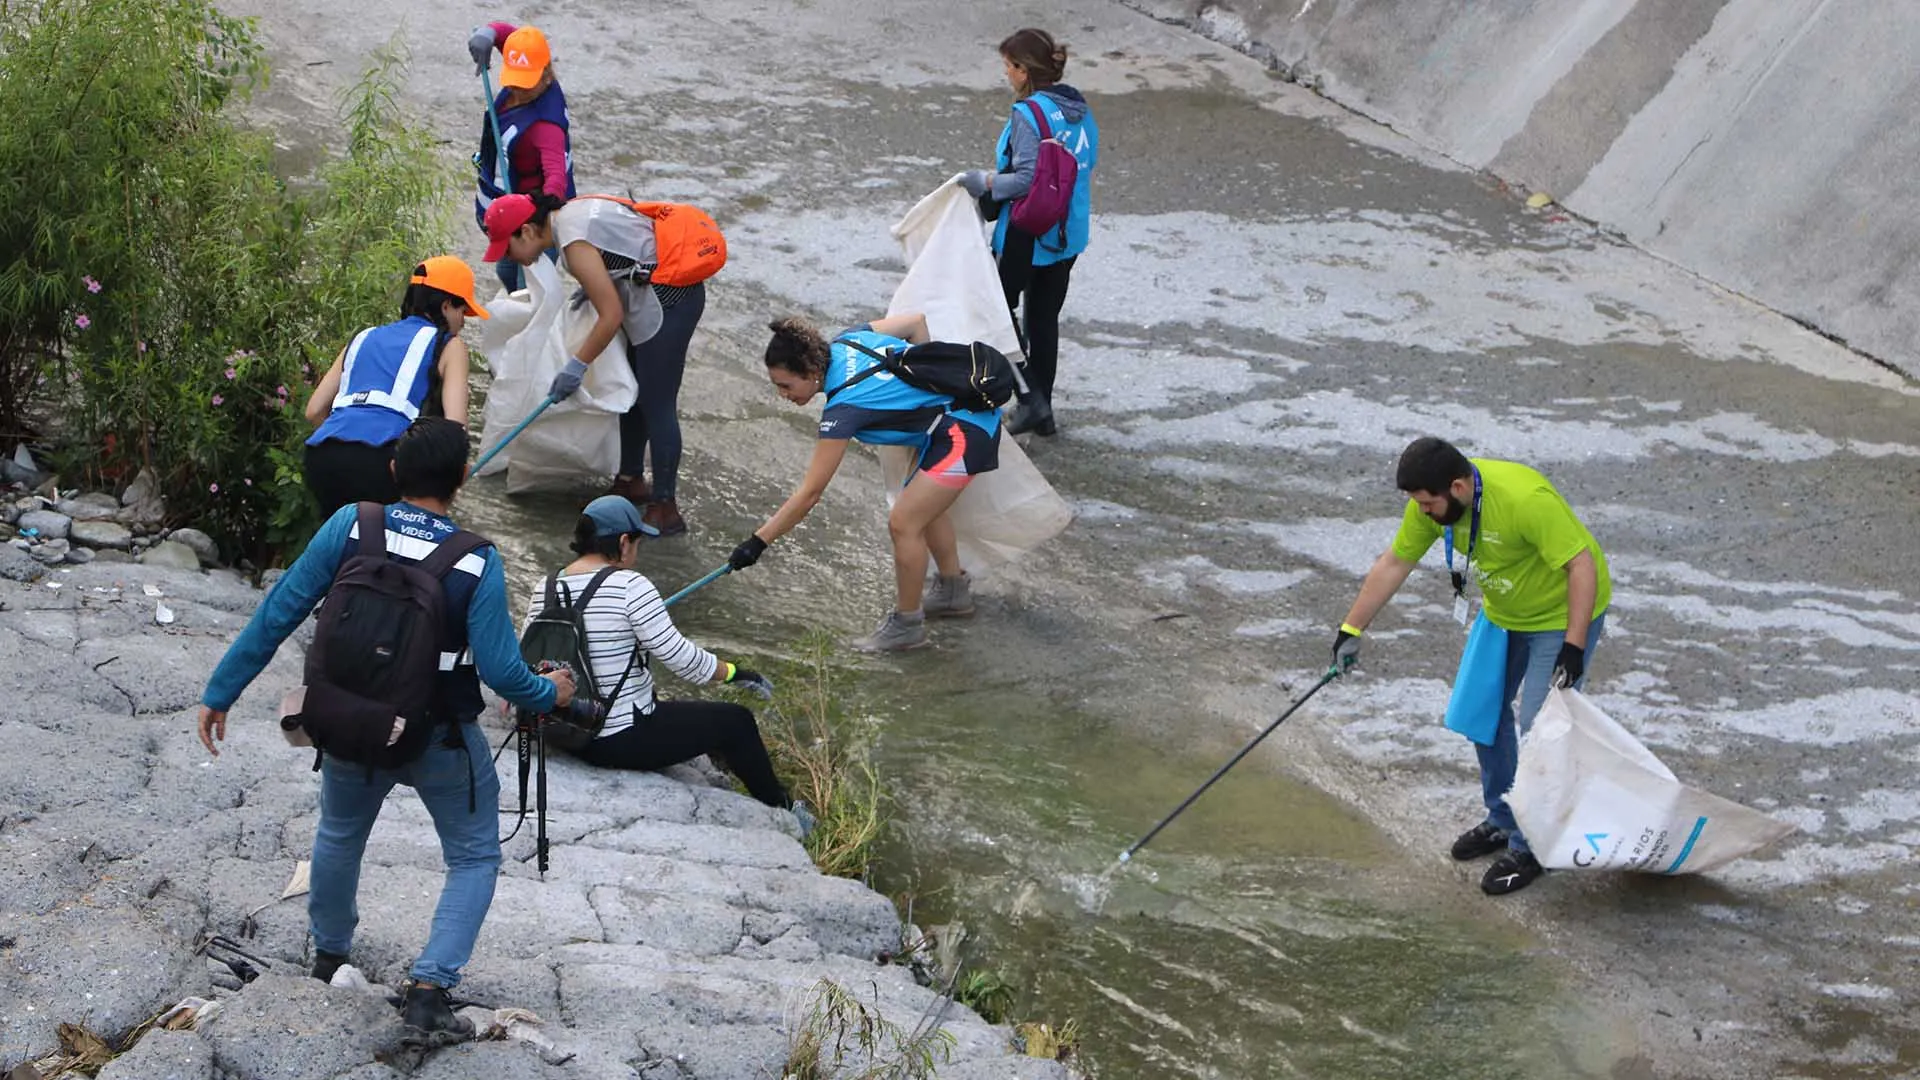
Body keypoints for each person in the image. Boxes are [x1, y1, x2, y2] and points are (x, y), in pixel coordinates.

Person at [196, 417, 576, 1043]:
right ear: (461, 478)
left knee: (340, 835)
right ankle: (428, 991)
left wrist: (221, 691)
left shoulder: (351, 524)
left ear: (395, 470)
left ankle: (329, 958)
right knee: (475, 855)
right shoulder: (476, 561)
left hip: (349, 722)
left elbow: (281, 608)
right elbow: (506, 675)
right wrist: (551, 692)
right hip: (439, 738)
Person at [1329, 436, 1610, 896]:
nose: (1421, 512)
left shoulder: (1524, 500)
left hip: (1561, 615)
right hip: (1504, 613)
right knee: (1479, 714)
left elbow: (1580, 565)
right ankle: (1502, 818)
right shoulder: (1433, 503)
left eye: (1426, 504)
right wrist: (1351, 630)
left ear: (1458, 487)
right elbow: (1396, 561)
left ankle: (1533, 846)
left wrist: (1573, 646)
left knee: (1540, 731)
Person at [534, 494, 813, 835]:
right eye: (637, 543)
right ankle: (786, 813)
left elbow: (530, 656)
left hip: (561, 728)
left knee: (683, 712)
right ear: (623, 542)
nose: (636, 553)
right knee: (737, 722)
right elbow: (681, 659)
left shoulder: (544, 586)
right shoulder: (630, 585)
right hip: (612, 739)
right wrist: (736, 673)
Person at [729, 314, 1001, 653]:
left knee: (903, 522)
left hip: (965, 434)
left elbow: (810, 494)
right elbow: (915, 321)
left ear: (812, 373)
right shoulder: (847, 340)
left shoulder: (843, 410)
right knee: (919, 507)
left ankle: (907, 627)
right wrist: (931, 380)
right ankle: (952, 593)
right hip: (957, 420)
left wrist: (756, 543)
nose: (781, 394)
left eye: (786, 385)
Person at [484, 193, 703, 536]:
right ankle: (630, 480)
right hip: (648, 290)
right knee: (636, 390)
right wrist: (601, 281)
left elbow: (611, 315)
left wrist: (577, 365)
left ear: (526, 231)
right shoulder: (570, 215)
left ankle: (665, 508)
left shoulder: (571, 241)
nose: (511, 259)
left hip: (668, 302)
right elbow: (623, 249)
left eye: (508, 249)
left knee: (657, 402)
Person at [957, 28, 1099, 438]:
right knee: (1043, 320)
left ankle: (1029, 396)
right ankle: (1045, 414)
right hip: (1067, 232)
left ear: (1024, 70)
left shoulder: (1028, 115)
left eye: (1008, 66)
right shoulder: (1080, 110)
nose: (1006, 73)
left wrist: (983, 182)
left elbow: (1023, 180)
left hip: (1027, 232)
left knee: (998, 314)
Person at [302, 257, 487, 516]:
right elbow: (455, 430)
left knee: (343, 543)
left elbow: (313, 411)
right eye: (462, 311)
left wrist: (348, 445)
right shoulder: (449, 345)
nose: (463, 322)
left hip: (323, 456)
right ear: (446, 306)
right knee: (386, 550)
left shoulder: (363, 336)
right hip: (384, 461)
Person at [467, 22, 575, 292]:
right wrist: (488, 34)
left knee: (528, 293)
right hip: (511, 217)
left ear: (547, 75)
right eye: (514, 80)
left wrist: (533, 229)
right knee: (505, 269)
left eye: (526, 84)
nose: (518, 89)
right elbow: (512, 39)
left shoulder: (545, 127)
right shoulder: (528, 67)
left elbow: (556, 182)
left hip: (532, 225)